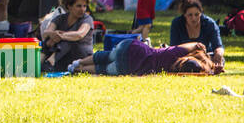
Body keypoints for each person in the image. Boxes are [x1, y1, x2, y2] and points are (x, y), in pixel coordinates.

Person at [70, 39, 222, 76]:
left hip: (133, 48)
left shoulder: (177, 52)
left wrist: (199, 46)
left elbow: (196, 44)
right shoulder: (177, 69)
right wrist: (212, 71)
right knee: (101, 69)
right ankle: (78, 69)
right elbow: (197, 73)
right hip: (133, 67)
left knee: (107, 55)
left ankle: (78, 62)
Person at [40, 0, 95, 73]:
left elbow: (79, 34)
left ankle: (50, 62)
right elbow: (45, 34)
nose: (82, 9)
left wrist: (61, 36)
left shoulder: (87, 19)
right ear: (69, 6)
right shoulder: (60, 18)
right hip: (63, 56)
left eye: (84, 6)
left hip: (80, 55)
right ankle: (39, 63)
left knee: (69, 40)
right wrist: (53, 34)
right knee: (49, 40)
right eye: (79, 6)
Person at [168, 0, 225, 67]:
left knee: (220, 60)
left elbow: (218, 45)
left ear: (201, 13)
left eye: (197, 14)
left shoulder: (209, 24)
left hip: (205, 56)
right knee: (189, 64)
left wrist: (219, 54)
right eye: (190, 15)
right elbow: (174, 48)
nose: (193, 18)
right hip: (184, 57)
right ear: (184, 15)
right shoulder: (177, 23)